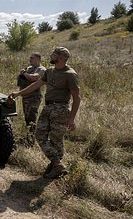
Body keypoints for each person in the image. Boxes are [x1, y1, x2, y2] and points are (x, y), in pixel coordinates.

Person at [10, 47, 81, 179]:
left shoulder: (70, 74)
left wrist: (71, 119)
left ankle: (56, 166)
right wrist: (19, 93)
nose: (50, 55)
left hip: (61, 110)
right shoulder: (50, 71)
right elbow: (36, 85)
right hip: (48, 108)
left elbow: (77, 98)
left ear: (60, 58)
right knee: (39, 135)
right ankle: (57, 164)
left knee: (56, 140)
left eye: (53, 54)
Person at [17, 53, 46, 145]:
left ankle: (31, 140)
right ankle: (28, 137)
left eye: (32, 58)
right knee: (27, 118)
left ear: (38, 59)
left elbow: (33, 78)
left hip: (34, 97)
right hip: (26, 96)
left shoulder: (42, 69)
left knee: (31, 118)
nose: (30, 59)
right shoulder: (29, 68)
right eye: (30, 57)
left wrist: (24, 73)